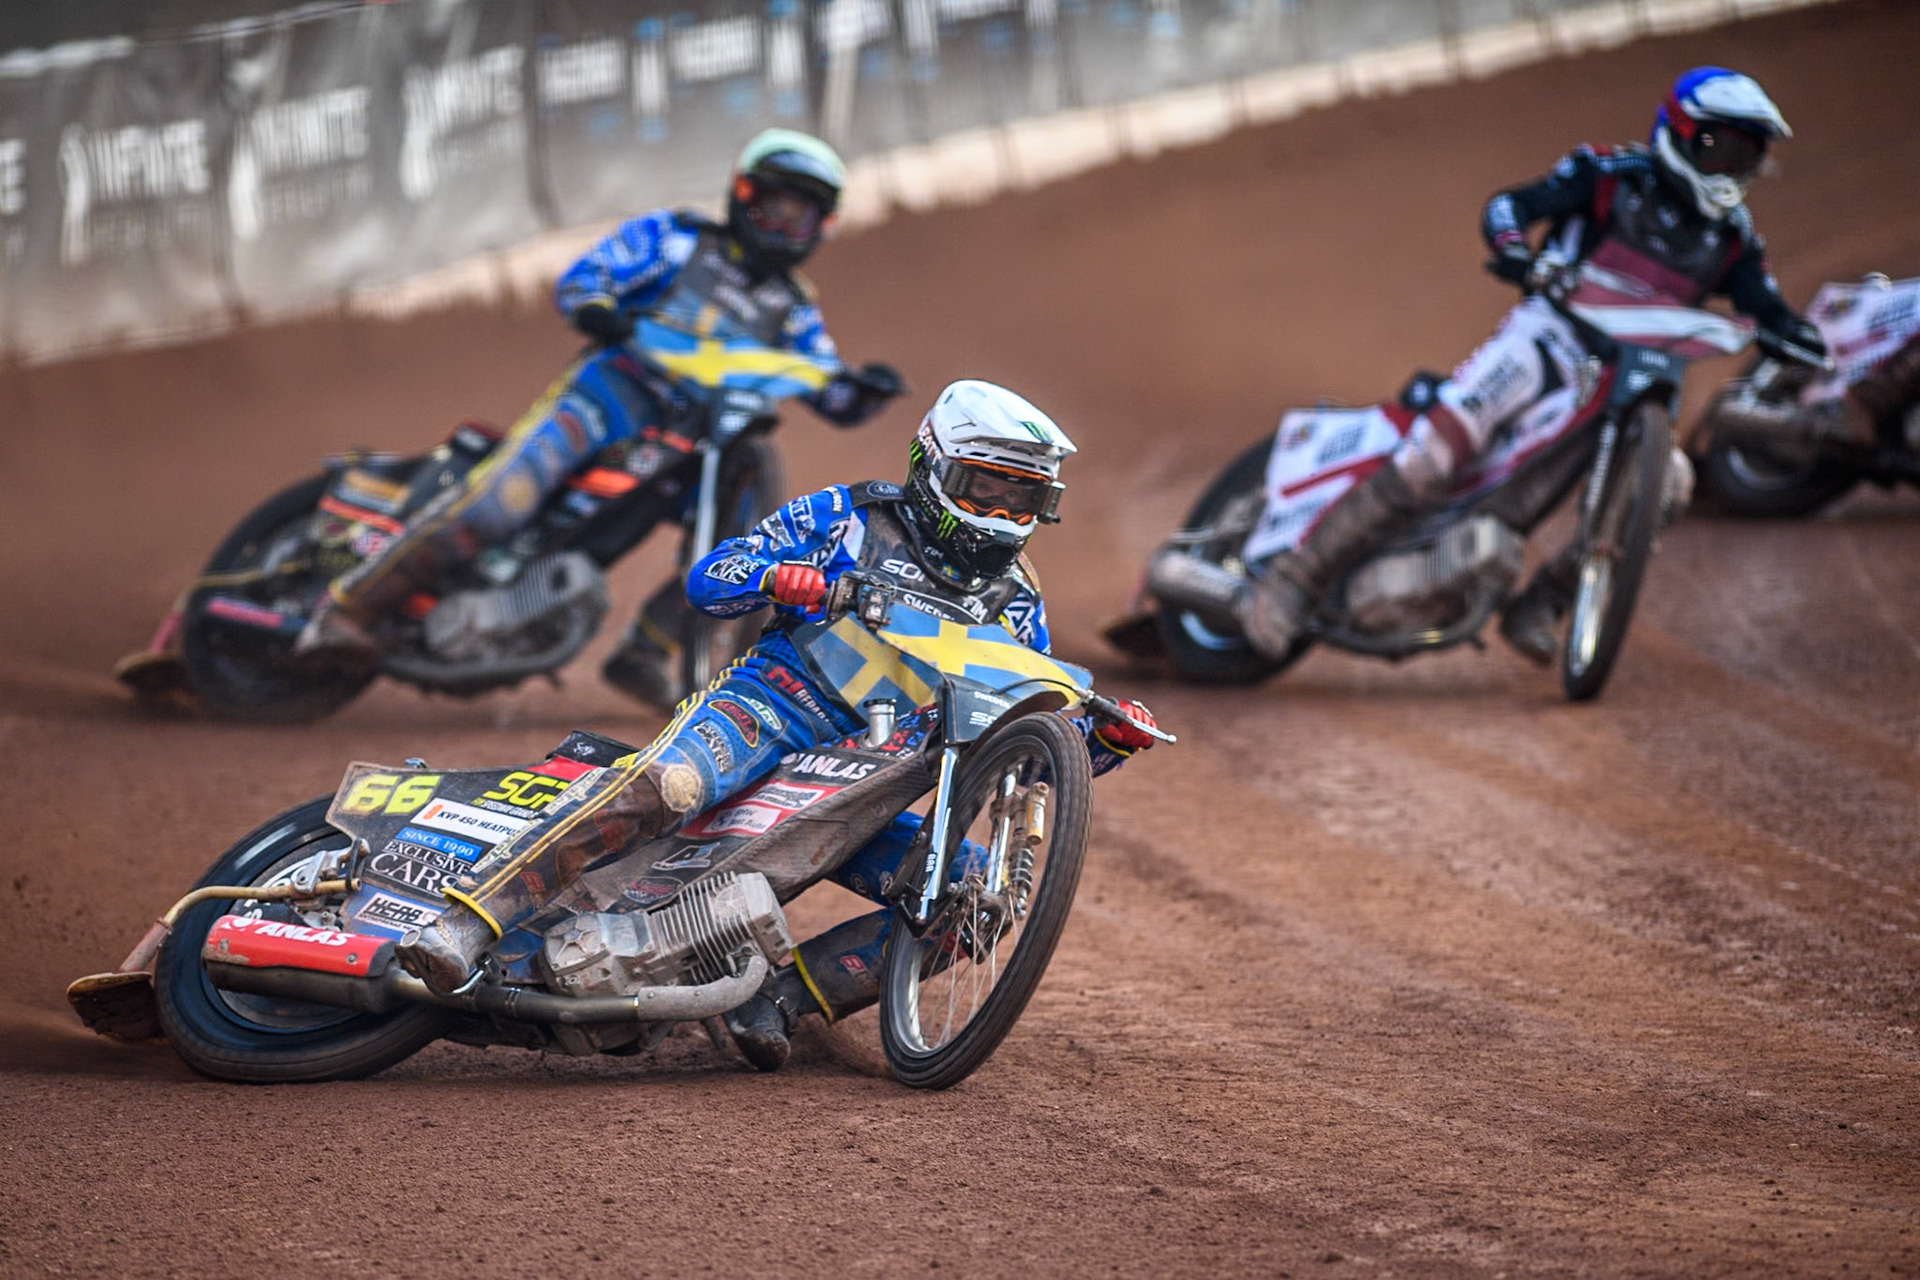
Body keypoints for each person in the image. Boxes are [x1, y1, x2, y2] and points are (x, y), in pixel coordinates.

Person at [392, 379, 1160, 1070]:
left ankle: (782, 1002)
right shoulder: (851, 516)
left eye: (1020, 500)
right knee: (670, 784)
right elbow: (708, 579)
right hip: (766, 707)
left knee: (972, 895)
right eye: (983, 490)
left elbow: (1020, 747)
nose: (998, 516)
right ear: (931, 469)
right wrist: (776, 576)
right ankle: (470, 920)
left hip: (866, 777)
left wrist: (1103, 743)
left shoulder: (1019, 603)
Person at [1236, 67, 1824, 666]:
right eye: (1718, 148)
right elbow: (1511, 205)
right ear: (1679, 131)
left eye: (1744, 156)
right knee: (1434, 454)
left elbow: (1767, 306)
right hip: (1549, 338)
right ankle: (1293, 579)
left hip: (1636, 377)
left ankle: (1544, 604)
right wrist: (1517, 252)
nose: (1729, 168)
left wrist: (1799, 336)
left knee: (1668, 484)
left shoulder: (1733, 239)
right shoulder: (1607, 176)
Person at [298, 128, 905, 706]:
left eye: (797, 216)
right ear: (743, 197)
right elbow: (587, 278)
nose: (781, 225)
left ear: (819, 227)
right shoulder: (678, 240)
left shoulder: (793, 308)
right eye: (773, 207)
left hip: (684, 449)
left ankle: (647, 648)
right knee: (496, 506)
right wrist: (598, 306)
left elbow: (830, 393)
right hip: (602, 400)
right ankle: (347, 609)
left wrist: (867, 388)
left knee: (747, 547)